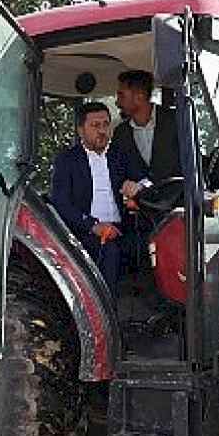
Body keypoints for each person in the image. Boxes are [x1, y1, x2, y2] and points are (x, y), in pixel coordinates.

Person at [50, 102, 139, 296]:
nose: (102, 131)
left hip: (123, 228)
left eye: (106, 124)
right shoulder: (67, 160)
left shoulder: (120, 156)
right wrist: (93, 226)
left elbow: (144, 179)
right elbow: (61, 203)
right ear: (81, 130)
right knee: (109, 254)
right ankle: (109, 318)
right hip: (87, 231)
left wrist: (137, 187)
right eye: (95, 126)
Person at [113, 69, 182, 184]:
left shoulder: (176, 122)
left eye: (121, 95)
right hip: (138, 201)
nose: (117, 103)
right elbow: (118, 173)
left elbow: (192, 165)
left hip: (179, 200)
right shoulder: (120, 133)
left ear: (139, 96)